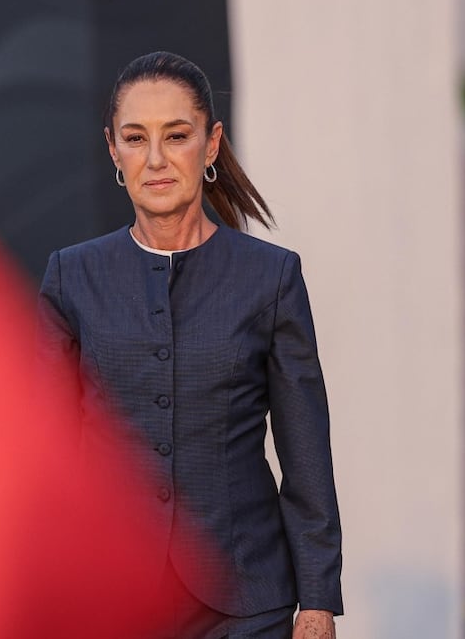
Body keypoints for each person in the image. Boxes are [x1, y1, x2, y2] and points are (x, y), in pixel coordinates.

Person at [37, 51, 342, 638]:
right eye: (135, 137)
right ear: (113, 151)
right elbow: (42, 451)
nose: (155, 158)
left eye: (176, 135)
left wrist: (319, 600)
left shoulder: (270, 278)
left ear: (210, 144)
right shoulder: (72, 277)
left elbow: (305, 453)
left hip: (248, 601)